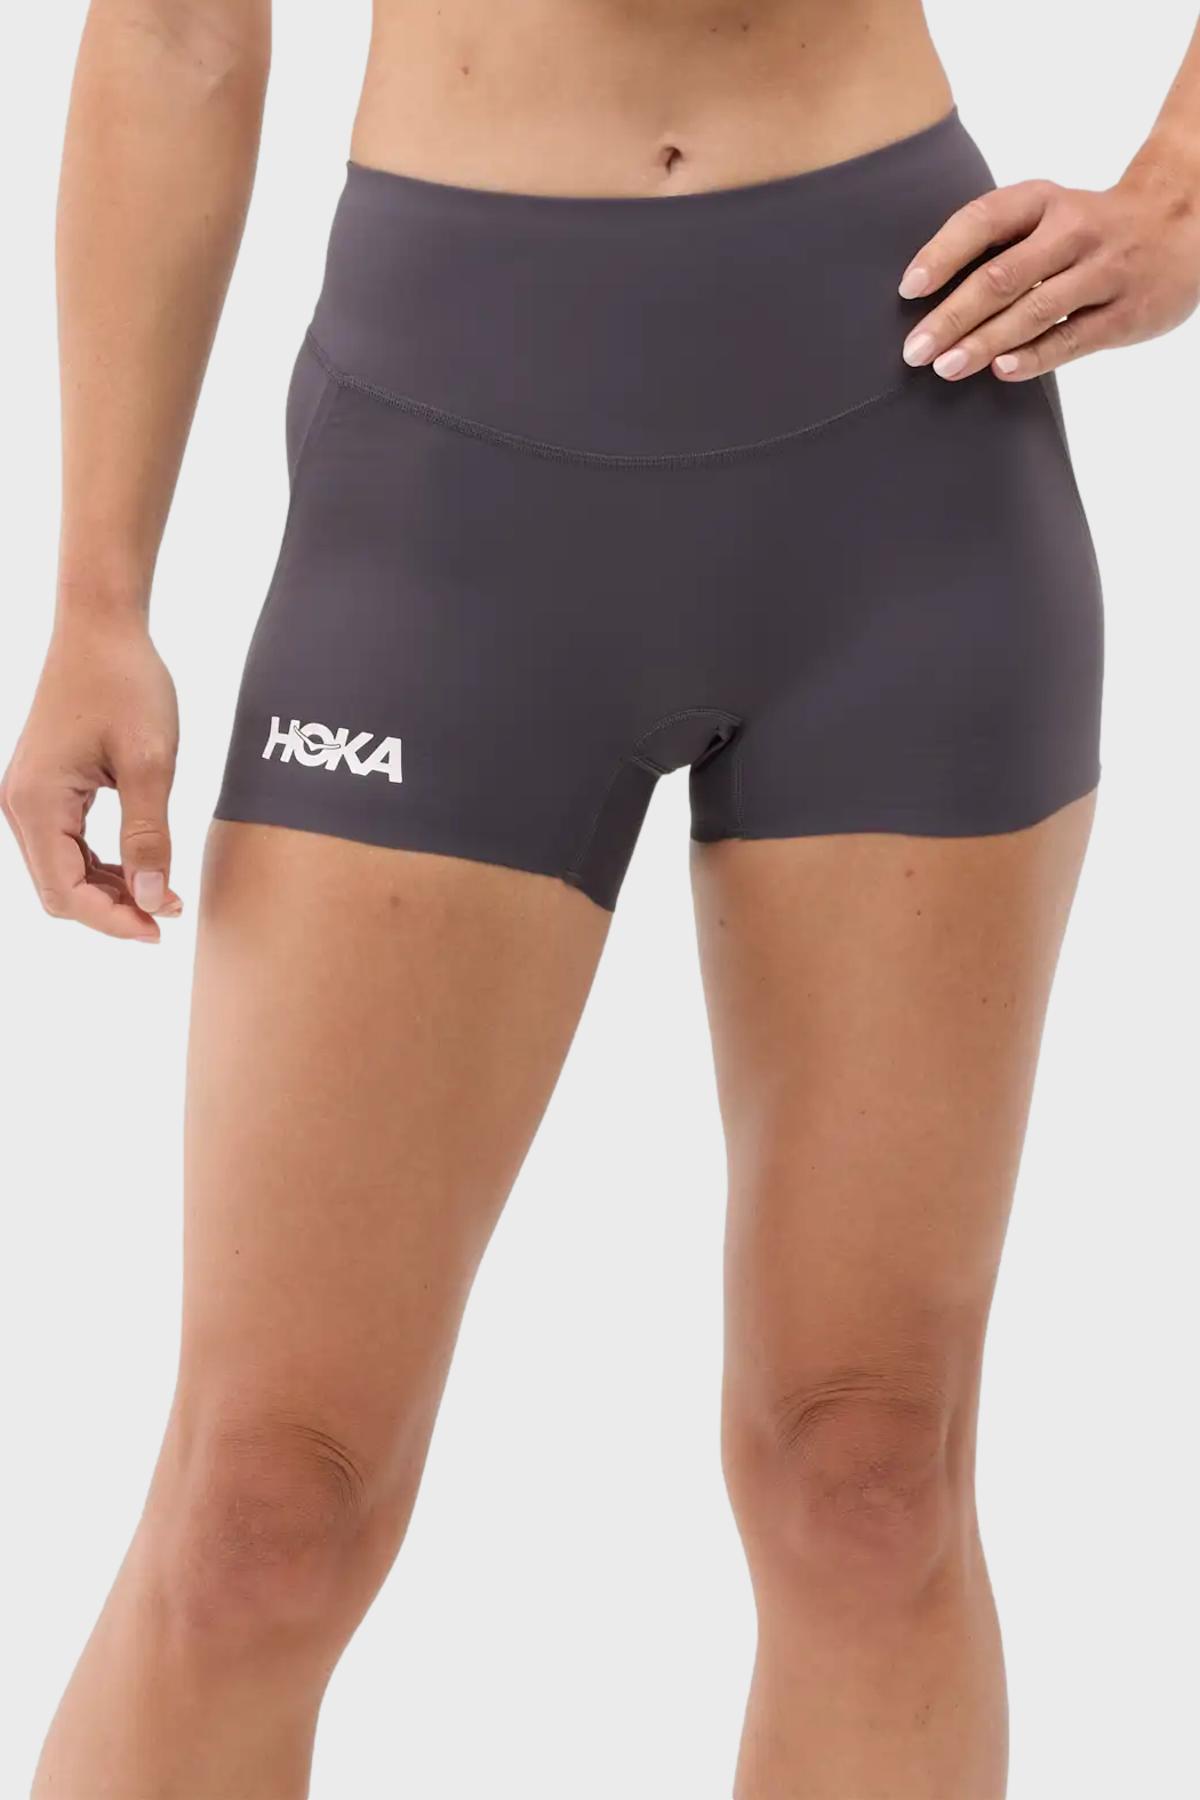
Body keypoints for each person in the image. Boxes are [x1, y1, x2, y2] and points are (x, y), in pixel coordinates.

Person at [4, 3, 1198, 1796]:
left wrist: (1179, 194)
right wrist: (97, 594)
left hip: (905, 431)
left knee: (867, 1484)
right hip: (449, 470)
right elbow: (178, 31)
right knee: (264, 1517)